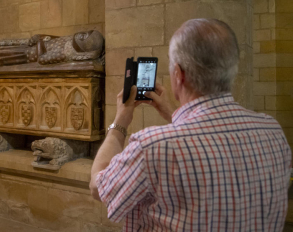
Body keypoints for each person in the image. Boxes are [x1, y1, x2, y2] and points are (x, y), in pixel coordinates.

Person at [90, 19, 291, 231]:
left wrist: (120, 121)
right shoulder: (272, 131)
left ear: (179, 74)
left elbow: (98, 187)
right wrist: (174, 114)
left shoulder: (152, 146)